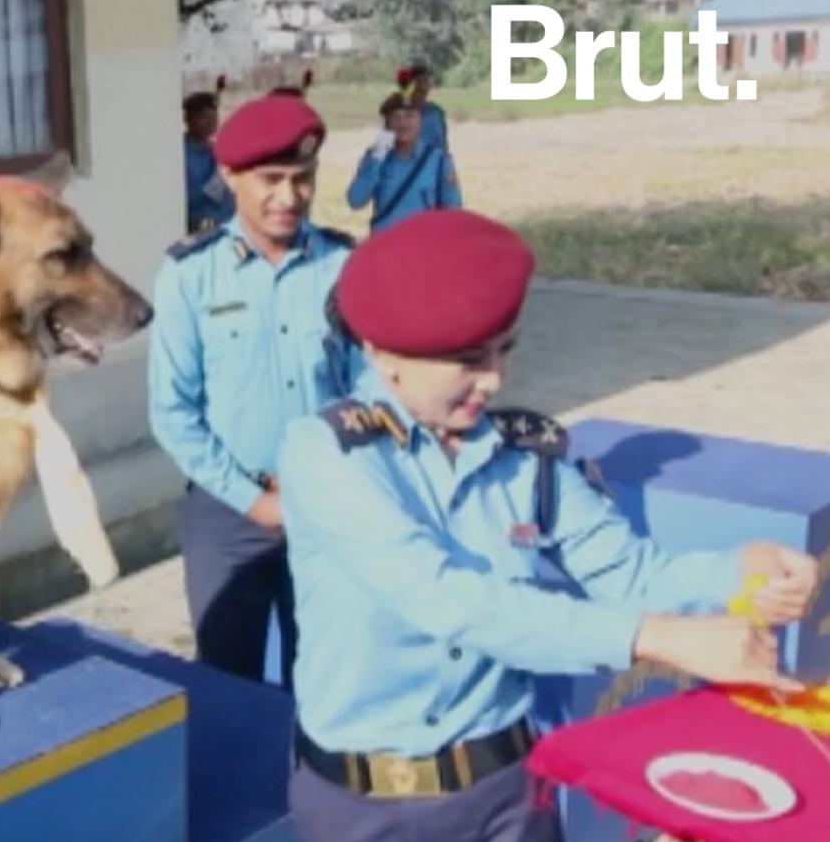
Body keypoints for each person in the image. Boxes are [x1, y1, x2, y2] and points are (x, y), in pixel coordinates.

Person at [277, 209, 820, 842]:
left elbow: (631, 573)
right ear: (381, 353)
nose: (495, 380)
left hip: (509, 796)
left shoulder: (523, 461)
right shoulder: (326, 454)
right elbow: (445, 598)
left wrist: (744, 570)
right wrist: (657, 637)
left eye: (505, 351)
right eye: (467, 360)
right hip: (366, 811)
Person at [149, 93, 358, 688]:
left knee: (323, 675)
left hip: (325, 504)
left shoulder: (342, 266)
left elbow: (372, 387)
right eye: (270, 179)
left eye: (303, 178)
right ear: (228, 175)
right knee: (225, 680)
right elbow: (172, 412)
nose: (288, 197)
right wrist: (254, 500)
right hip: (228, 512)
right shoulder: (190, 275)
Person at [346, 89, 461, 232]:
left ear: (420, 121)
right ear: (387, 124)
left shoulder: (439, 160)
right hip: (385, 243)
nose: (403, 123)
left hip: (423, 243)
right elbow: (355, 200)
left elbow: (453, 211)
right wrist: (377, 158)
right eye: (396, 117)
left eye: (410, 116)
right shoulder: (376, 157)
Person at [182, 83, 235, 234]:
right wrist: (212, 187)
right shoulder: (181, 154)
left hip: (225, 226)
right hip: (197, 229)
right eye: (203, 117)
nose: (211, 123)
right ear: (188, 120)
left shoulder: (217, 149)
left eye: (213, 117)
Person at [398, 63, 448, 153]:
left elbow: (443, 147)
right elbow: (383, 148)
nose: (422, 87)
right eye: (418, 82)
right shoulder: (397, 113)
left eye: (426, 82)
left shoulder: (436, 113)